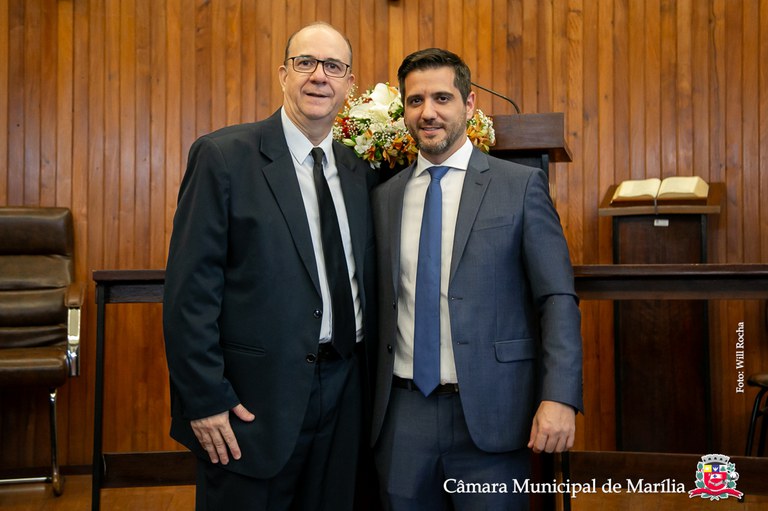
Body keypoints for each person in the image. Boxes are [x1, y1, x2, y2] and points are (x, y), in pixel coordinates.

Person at [163, 22, 377, 511]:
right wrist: (204, 398)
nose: (319, 76)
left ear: (349, 84)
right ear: (283, 74)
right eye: (306, 63)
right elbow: (189, 294)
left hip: (345, 396)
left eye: (333, 67)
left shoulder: (359, 171)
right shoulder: (224, 157)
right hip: (252, 404)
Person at [370, 48, 583, 510]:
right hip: (403, 417)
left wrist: (560, 397)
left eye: (442, 98)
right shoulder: (385, 198)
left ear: (468, 105)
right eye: (415, 100)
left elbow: (556, 298)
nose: (428, 112)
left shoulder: (519, 186)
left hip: (494, 413)